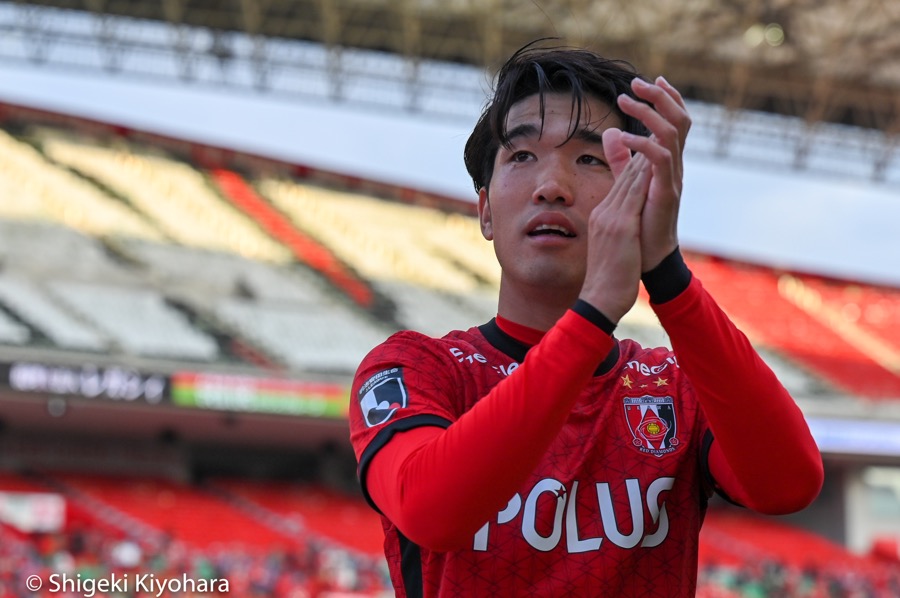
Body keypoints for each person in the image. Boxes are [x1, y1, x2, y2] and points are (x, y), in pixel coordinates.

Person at [348, 40, 824, 597]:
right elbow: (432, 511)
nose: (552, 186)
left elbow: (788, 484)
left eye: (589, 159)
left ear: (635, 194)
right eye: (521, 156)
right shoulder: (414, 368)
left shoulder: (672, 388)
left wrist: (666, 271)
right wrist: (593, 313)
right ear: (485, 210)